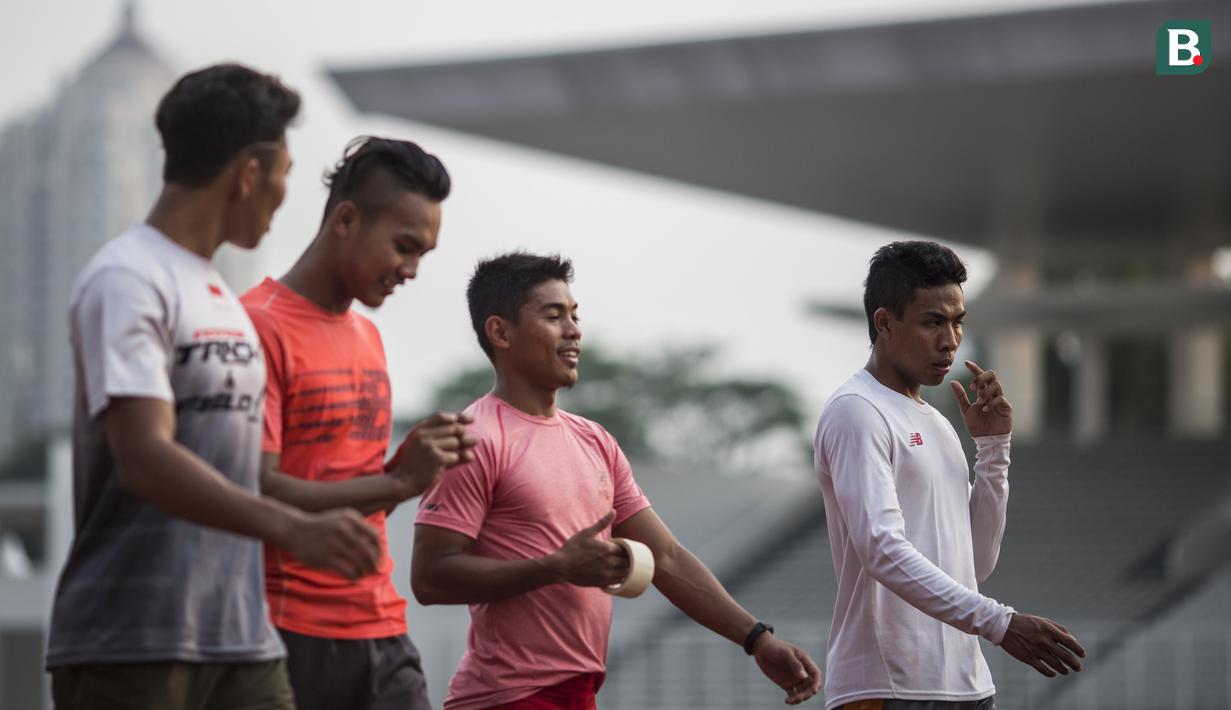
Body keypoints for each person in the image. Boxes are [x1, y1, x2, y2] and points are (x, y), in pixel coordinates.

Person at [46, 64, 383, 710]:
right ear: (249, 175)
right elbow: (145, 458)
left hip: (241, 640)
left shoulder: (220, 296)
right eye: (284, 173)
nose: (284, 194)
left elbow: (248, 468)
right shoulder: (127, 279)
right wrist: (294, 528)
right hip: (130, 643)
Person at [412, 251, 823, 710]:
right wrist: (555, 567)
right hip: (503, 699)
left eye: (575, 315)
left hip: (581, 694)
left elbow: (665, 557)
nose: (574, 330)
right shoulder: (473, 438)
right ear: (500, 332)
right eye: (554, 316)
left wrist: (757, 639)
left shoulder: (594, 440)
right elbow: (429, 578)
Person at [241, 136, 474, 710]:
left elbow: (357, 498)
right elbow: (255, 490)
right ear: (346, 219)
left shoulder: (368, 336)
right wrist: (399, 481)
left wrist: (407, 468)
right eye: (404, 246)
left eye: (423, 255)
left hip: (381, 627)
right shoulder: (256, 325)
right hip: (285, 631)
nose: (412, 270)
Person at [812, 240, 1087, 710]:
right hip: (887, 686)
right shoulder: (857, 411)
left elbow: (973, 563)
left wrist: (994, 450)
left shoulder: (937, 424)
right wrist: (1000, 622)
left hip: (968, 686)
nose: (951, 340)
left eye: (957, 321)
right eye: (932, 322)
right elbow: (881, 548)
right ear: (884, 323)